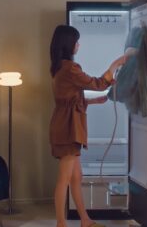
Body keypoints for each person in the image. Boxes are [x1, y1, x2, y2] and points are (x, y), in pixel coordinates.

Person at [49, 25, 126, 227]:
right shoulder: (70, 68)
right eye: (76, 41)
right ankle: (61, 224)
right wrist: (115, 64)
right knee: (64, 178)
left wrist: (93, 101)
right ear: (69, 45)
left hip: (65, 125)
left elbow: (67, 99)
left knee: (76, 176)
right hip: (68, 128)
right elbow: (97, 83)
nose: (78, 45)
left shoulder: (60, 67)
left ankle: (85, 220)